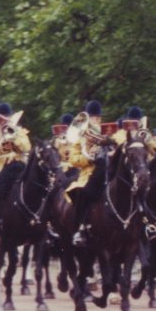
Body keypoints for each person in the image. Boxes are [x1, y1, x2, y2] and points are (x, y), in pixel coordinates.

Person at [0, 102, 32, 234]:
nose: (5, 121)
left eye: (7, 117)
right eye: (2, 118)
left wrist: (14, 137)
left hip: (17, 166)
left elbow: (27, 148)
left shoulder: (18, 130)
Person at [69, 100, 108, 246]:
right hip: (89, 173)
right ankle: (80, 228)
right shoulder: (80, 138)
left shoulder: (105, 133)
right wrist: (87, 156)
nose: (96, 120)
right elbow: (73, 159)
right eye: (93, 117)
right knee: (84, 193)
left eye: (98, 117)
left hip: (108, 169)